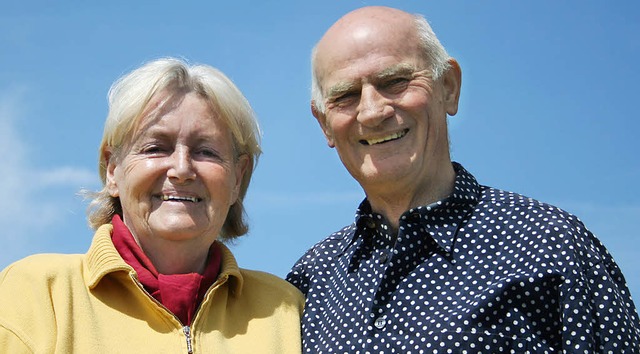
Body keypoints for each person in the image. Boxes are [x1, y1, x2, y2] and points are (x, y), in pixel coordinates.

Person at [286, 6, 640, 353]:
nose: (372, 111)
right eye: (346, 95)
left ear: (448, 87)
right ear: (324, 123)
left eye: (394, 81)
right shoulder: (310, 282)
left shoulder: (550, 246)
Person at [0, 57, 303, 353]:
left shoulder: (286, 311)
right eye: (156, 148)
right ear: (112, 169)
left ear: (238, 177)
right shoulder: (37, 295)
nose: (182, 169)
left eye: (206, 152)